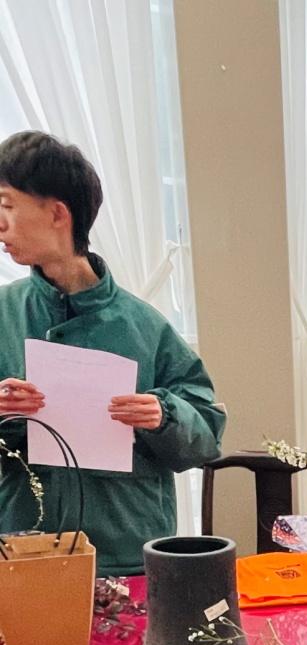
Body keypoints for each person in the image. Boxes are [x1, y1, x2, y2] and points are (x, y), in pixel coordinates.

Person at [0, 131, 225, 576]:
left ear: (58, 213)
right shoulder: (4, 314)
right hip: (24, 552)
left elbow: (206, 435)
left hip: (126, 551)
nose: (0, 224)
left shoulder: (145, 326)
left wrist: (164, 415)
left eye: (7, 206)